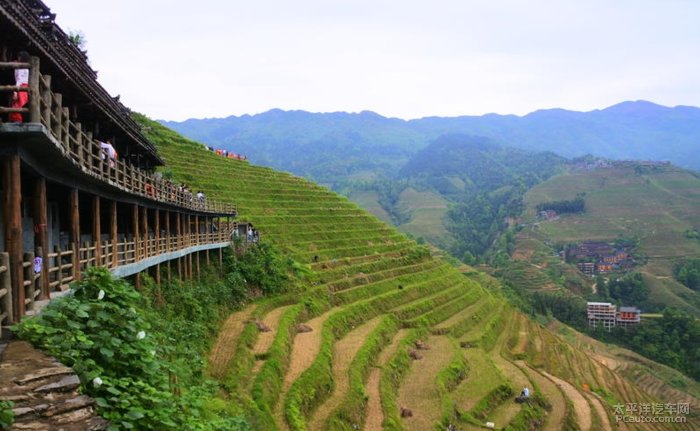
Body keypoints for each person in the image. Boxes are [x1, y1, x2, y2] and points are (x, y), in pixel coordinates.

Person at [9, 51, 30, 123]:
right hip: (23, 87)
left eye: (19, 57)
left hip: (21, 87)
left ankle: (17, 122)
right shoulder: (25, 67)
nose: (18, 58)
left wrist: (15, 91)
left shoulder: (22, 67)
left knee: (17, 105)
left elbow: (19, 80)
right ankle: (18, 121)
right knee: (19, 105)